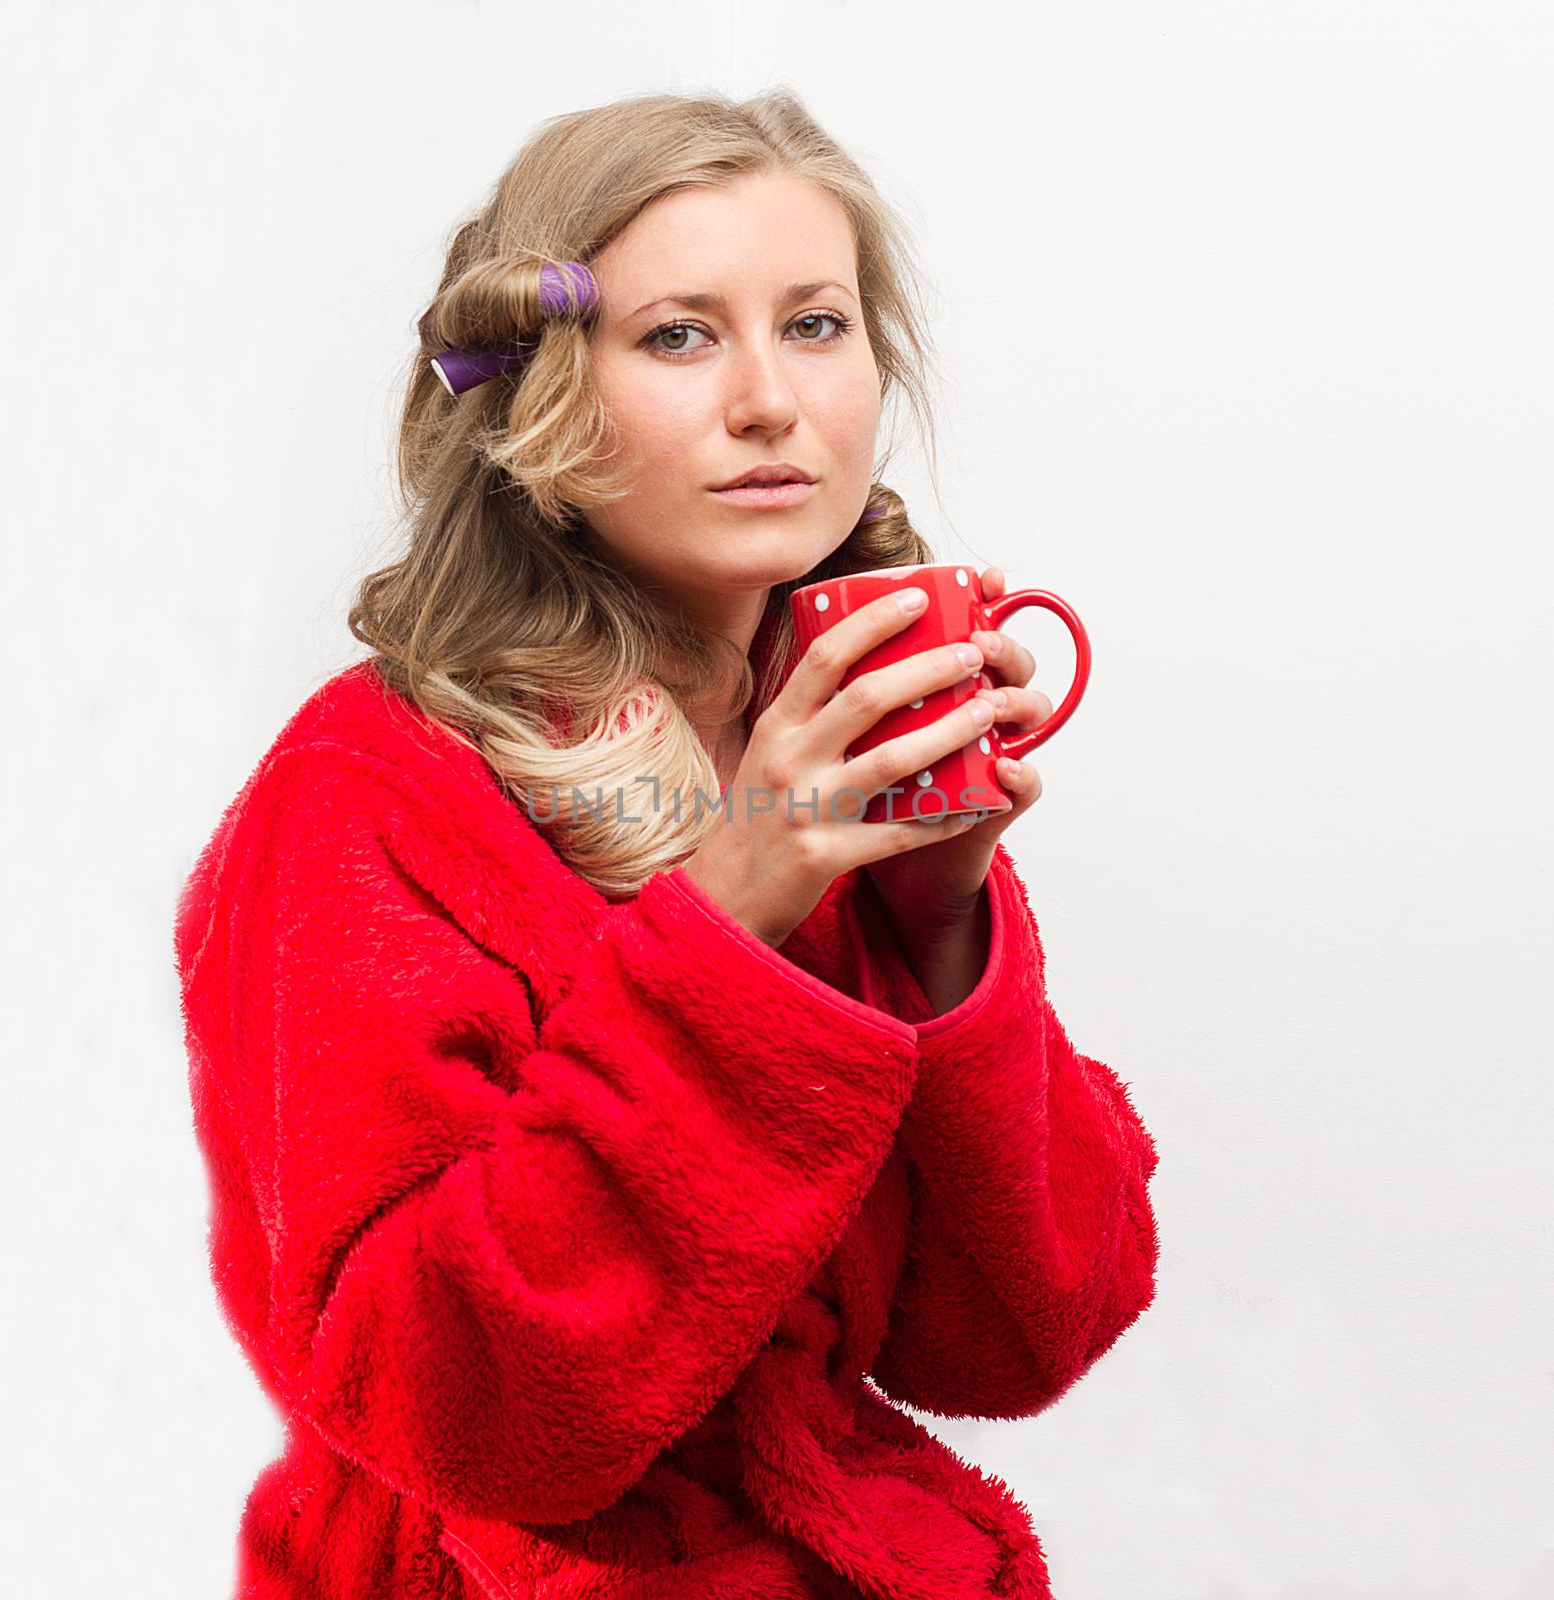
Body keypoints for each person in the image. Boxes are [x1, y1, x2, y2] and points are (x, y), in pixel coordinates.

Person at [174, 86, 1161, 1600]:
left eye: (817, 325)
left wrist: (935, 930)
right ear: (542, 394)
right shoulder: (363, 794)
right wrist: (726, 930)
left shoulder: (813, 747)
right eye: (681, 336)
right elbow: (465, 1414)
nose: (771, 401)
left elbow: (1026, 1333)